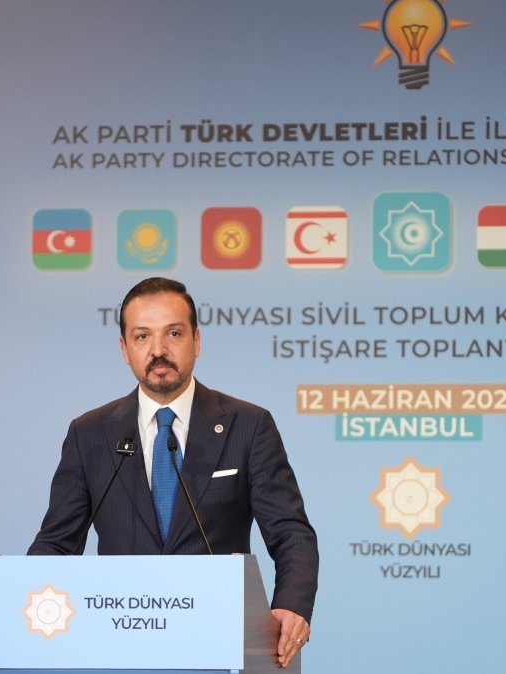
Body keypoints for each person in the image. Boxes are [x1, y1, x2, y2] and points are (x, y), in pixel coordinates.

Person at [29, 277, 318, 669]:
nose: (158, 350)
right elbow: (56, 545)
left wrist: (291, 604)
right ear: (124, 349)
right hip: (118, 644)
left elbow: (290, 532)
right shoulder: (90, 434)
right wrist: (26, 603)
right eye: (142, 337)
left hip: (223, 642)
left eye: (174, 334)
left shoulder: (248, 426)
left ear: (197, 341)